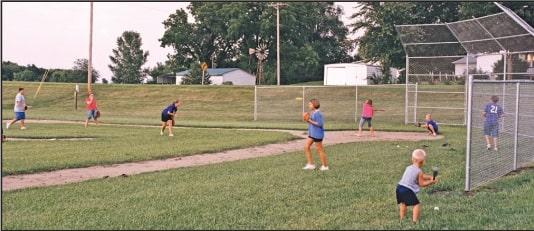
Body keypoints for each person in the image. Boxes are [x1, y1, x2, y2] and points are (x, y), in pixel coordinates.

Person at [396, 149, 438, 224]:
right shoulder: (419, 171)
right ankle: (415, 221)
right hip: (407, 190)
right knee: (416, 204)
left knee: (403, 203)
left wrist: (429, 177)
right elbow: (421, 184)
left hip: (399, 187)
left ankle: (402, 219)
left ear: (412, 159)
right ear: (423, 162)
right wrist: (431, 182)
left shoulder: (408, 167)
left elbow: (420, 176)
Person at [302, 99, 329, 171]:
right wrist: (307, 117)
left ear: (314, 105)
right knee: (306, 147)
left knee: (319, 150)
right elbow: (312, 121)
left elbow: (320, 124)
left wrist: (309, 120)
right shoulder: (313, 112)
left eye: (310, 104)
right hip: (312, 134)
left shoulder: (318, 113)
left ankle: (325, 166)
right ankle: (310, 164)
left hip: (317, 134)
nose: (309, 105)